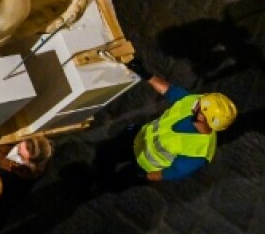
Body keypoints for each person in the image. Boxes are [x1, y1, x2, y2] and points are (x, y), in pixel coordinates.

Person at [96, 60, 237, 186]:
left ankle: (104, 184)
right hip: (138, 138)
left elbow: (171, 173)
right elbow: (170, 91)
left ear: (202, 117)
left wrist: (144, 177)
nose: (196, 101)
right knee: (106, 153)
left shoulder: (197, 154)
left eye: (199, 105)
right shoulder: (194, 103)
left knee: (116, 180)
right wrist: (146, 75)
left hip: (144, 165)